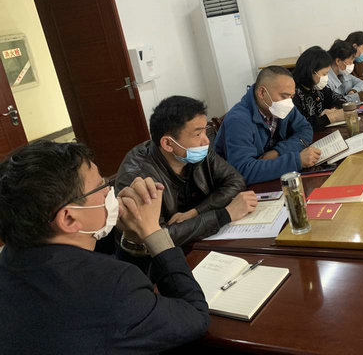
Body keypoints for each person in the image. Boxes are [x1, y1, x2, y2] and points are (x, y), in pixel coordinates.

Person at [0, 141, 210, 352]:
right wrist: (153, 232)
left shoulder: (9, 261)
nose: (110, 192)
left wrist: (132, 239)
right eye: (101, 186)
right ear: (69, 218)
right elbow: (195, 317)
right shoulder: (114, 286)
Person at [116, 96, 256, 248]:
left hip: (203, 240)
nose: (206, 141)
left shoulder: (197, 151)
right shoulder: (138, 175)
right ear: (168, 143)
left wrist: (195, 212)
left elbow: (235, 181)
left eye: (205, 131)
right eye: (197, 134)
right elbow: (156, 237)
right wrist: (225, 214)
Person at [214, 66, 319, 185]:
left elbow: (305, 129)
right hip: (241, 188)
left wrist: (278, 152)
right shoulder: (238, 120)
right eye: (284, 96)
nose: (289, 102)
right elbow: (244, 170)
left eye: (291, 97)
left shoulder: (282, 107)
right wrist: (296, 161)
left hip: (271, 177)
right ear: (262, 93)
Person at [292, 46, 347, 130]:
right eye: (324, 74)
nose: (326, 77)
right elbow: (300, 125)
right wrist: (331, 117)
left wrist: (333, 109)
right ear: (311, 71)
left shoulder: (317, 87)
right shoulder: (292, 93)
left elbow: (341, 99)